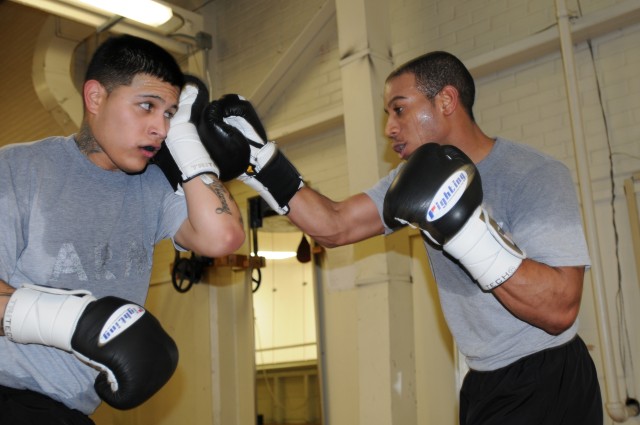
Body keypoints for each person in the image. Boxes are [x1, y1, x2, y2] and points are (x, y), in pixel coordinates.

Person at [208, 51, 603, 424]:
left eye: (400, 109)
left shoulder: (533, 174)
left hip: (549, 374)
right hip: (483, 379)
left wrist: (468, 232)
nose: (388, 129)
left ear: (446, 101)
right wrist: (260, 162)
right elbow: (336, 225)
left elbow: (560, 310)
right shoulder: (413, 182)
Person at [0, 34, 244, 424]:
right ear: (95, 98)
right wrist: (73, 321)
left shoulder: (152, 187)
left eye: (169, 114)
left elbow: (223, 237)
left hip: (70, 410)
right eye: (146, 106)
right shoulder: (19, 169)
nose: (158, 128)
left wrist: (185, 138)